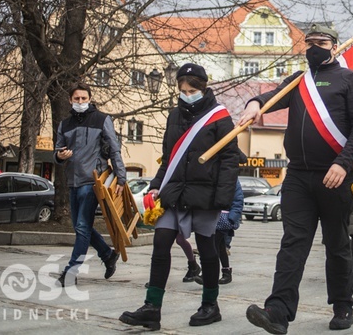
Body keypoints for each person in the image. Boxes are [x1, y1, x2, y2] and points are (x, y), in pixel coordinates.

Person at [240, 23, 353, 334]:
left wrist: (343, 163)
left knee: (337, 243)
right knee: (292, 242)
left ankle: (342, 305)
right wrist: (254, 104)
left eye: (321, 41)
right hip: (298, 175)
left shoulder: (350, 80)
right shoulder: (298, 81)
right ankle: (278, 311)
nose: (314, 46)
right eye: (309, 41)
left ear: (334, 45)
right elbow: (271, 97)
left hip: (335, 174)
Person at [119, 63, 240, 330]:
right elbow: (168, 158)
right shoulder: (174, 115)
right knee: (161, 241)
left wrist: (223, 198)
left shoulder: (219, 117)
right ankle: (152, 308)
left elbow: (230, 160)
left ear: (204, 88)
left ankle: (210, 305)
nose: (186, 94)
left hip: (206, 194)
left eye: (192, 90)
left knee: (207, 247)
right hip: (175, 191)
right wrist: (155, 185)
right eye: (182, 90)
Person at [54, 83, 125, 287]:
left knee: (83, 226)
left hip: (93, 180)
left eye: (84, 98)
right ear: (70, 100)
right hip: (72, 180)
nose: (80, 102)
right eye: (76, 99)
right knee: (79, 227)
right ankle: (108, 255)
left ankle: (70, 272)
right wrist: (59, 155)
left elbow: (114, 148)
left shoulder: (102, 119)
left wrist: (121, 177)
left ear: (90, 99)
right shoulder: (64, 124)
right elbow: (57, 151)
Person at [216, 178, 244, 284]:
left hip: (224, 219)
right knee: (220, 246)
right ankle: (226, 272)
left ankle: (207, 273)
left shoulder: (232, 179)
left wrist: (232, 218)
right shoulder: (211, 174)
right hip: (211, 217)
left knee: (213, 244)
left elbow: (238, 199)